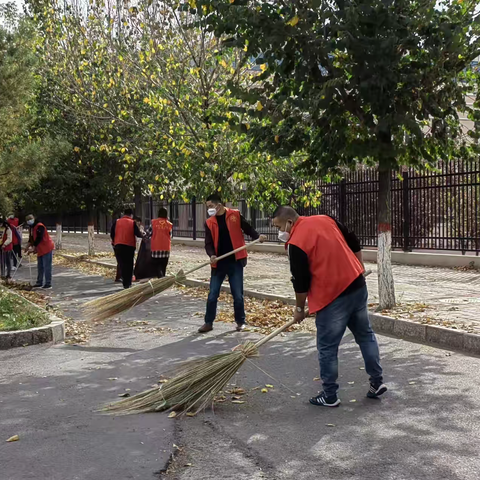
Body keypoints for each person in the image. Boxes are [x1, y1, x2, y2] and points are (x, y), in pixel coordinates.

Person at [272, 206, 386, 407]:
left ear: (289, 222)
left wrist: (299, 309)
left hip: (332, 298)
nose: (279, 232)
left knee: (327, 347)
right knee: (365, 335)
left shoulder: (296, 243)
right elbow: (353, 240)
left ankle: (330, 395)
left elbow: (300, 282)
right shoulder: (326, 219)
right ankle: (376, 383)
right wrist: (358, 268)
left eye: (279, 226)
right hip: (357, 286)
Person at [198, 194, 266, 333]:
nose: (209, 209)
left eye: (210, 206)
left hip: (235, 261)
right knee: (212, 294)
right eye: (208, 207)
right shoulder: (209, 222)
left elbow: (248, 228)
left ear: (219, 205)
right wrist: (211, 255)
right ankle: (208, 322)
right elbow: (208, 243)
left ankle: (240, 322)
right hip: (218, 263)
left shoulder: (234, 215)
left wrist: (257, 236)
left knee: (238, 295)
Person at [110, 208, 144, 288]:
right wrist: (143, 235)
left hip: (118, 246)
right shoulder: (132, 223)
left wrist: (114, 241)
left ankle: (124, 281)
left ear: (124, 214)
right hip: (129, 246)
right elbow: (138, 234)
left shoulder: (117, 222)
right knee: (129, 264)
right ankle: (127, 283)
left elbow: (112, 233)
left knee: (122, 264)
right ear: (131, 215)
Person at [25, 214, 55, 289]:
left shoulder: (40, 226)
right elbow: (31, 238)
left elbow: (39, 238)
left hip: (46, 247)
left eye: (30, 219)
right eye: (28, 220)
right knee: (40, 266)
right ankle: (39, 282)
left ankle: (48, 283)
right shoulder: (31, 228)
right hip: (40, 249)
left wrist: (33, 247)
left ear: (33, 219)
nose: (29, 221)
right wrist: (27, 247)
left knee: (46, 266)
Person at [143, 207, 172, 278]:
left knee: (157, 265)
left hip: (156, 248)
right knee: (163, 266)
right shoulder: (169, 224)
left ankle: (160, 278)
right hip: (166, 248)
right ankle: (162, 279)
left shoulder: (153, 222)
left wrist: (145, 238)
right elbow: (170, 235)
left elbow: (148, 233)